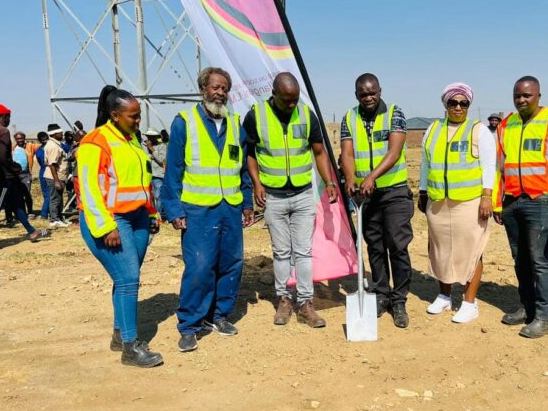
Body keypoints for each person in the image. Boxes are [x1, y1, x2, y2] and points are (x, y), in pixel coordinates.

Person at [161, 67, 254, 352]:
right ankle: (190, 324)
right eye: (215, 87)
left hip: (230, 207)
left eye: (225, 88)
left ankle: (219, 316)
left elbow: (242, 170)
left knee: (231, 263)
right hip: (198, 210)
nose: (221, 92)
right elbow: (173, 171)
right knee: (200, 266)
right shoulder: (184, 123)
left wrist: (247, 203)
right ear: (203, 89)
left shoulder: (235, 124)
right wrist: (174, 209)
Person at [77, 85, 163, 368]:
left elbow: (143, 180)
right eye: (133, 116)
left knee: (127, 277)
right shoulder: (95, 141)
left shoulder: (132, 140)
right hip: (113, 221)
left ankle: (118, 334)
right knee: (128, 279)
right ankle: (130, 347)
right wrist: (105, 226)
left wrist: (151, 214)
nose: (138, 121)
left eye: (139, 115)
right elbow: (88, 189)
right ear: (115, 115)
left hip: (138, 217)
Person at [244, 72, 338, 328]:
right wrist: (256, 183)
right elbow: (250, 154)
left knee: (304, 252)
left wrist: (329, 182)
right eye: (286, 99)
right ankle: (284, 300)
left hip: (303, 195)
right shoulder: (256, 116)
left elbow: (319, 151)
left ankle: (306, 303)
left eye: (295, 99)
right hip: (274, 197)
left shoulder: (307, 115)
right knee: (281, 252)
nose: (291, 104)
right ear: (273, 94)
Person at [492, 76, 548, 338]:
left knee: (539, 260)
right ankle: (526, 307)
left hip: (541, 201)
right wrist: (496, 201)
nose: (521, 100)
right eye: (517, 95)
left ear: (539, 95)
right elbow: (498, 167)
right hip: (512, 202)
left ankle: (544, 316)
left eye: (527, 95)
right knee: (520, 259)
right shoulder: (506, 125)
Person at [340, 73, 413, 328]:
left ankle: (399, 299)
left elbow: (394, 152)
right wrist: (350, 177)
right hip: (366, 195)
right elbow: (347, 152)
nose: (368, 97)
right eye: (363, 94)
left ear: (380, 91)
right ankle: (381, 295)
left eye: (372, 92)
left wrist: (371, 176)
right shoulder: (349, 118)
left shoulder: (395, 113)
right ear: (356, 95)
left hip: (393, 192)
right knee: (375, 246)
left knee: (397, 245)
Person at [418, 83, 496, 324]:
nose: (458, 107)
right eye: (453, 102)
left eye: (464, 103)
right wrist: (422, 191)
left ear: (469, 105)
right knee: (441, 251)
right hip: (439, 200)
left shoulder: (478, 130)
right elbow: (425, 163)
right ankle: (444, 295)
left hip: (469, 202)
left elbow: (488, 165)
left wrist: (486, 196)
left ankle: (469, 303)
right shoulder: (433, 129)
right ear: (445, 104)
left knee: (471, 251)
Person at [0, 104, 48, 242]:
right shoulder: (3, 131)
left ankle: (31, 231)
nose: (9, 120)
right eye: (8, 117)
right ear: (3, 116)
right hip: (5, 177)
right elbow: (2, 156)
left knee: (17, 203)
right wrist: (15, 167)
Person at [44, 124, 70, 227]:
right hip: (54, 177)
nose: (62, 134)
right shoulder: (53, 146)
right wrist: (56, 180)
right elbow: (52, 164)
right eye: (60, 132)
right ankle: (54, 219)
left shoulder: (56, 144)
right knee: (55, 198)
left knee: (59, 198)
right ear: (54, 134)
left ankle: (59, 218)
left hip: (59, 176)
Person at [142, 129, 166, 220]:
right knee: (148, 196)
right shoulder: (143, 146)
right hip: (147, 174)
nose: (150, 138)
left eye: (152, 137)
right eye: (149, 137)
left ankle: (158, 215)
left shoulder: (162, 146)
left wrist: (152, 149)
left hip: (158, 175)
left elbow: (161, 159)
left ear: (156, 137)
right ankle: (150, 215)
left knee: (158, 196)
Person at [12, 131, 35, 217]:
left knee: (27, 193)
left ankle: (30, 211)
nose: (20, 140)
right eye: (18, 138)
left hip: (26, 174)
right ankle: (22, 212)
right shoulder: (13, 149)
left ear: (24, 138)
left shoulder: (30, 147)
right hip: (16, 175)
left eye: (21, 138)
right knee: (18, 195)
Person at [35, 132, 50, 220]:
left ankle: (47, 212)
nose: (45, 140)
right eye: (43, 139)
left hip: (43, 171)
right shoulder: (41, 150)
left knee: (47, 194)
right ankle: (44, 214)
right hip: (46, 172)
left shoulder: (39, 150)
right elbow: (42, 162)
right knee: (47, 194)